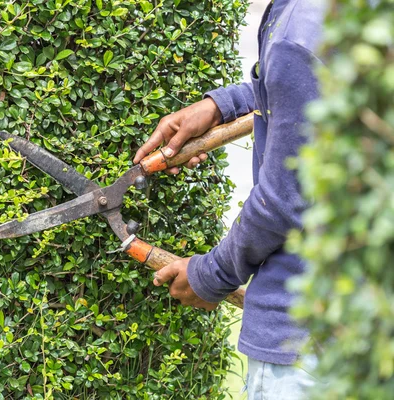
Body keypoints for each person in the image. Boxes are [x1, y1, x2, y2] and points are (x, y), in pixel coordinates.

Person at [133, 1, 326, 398]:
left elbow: (283, 199)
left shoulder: (299, 30)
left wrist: (211, 275)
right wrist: (224, 105)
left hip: (306, 350)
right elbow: (306, 89)